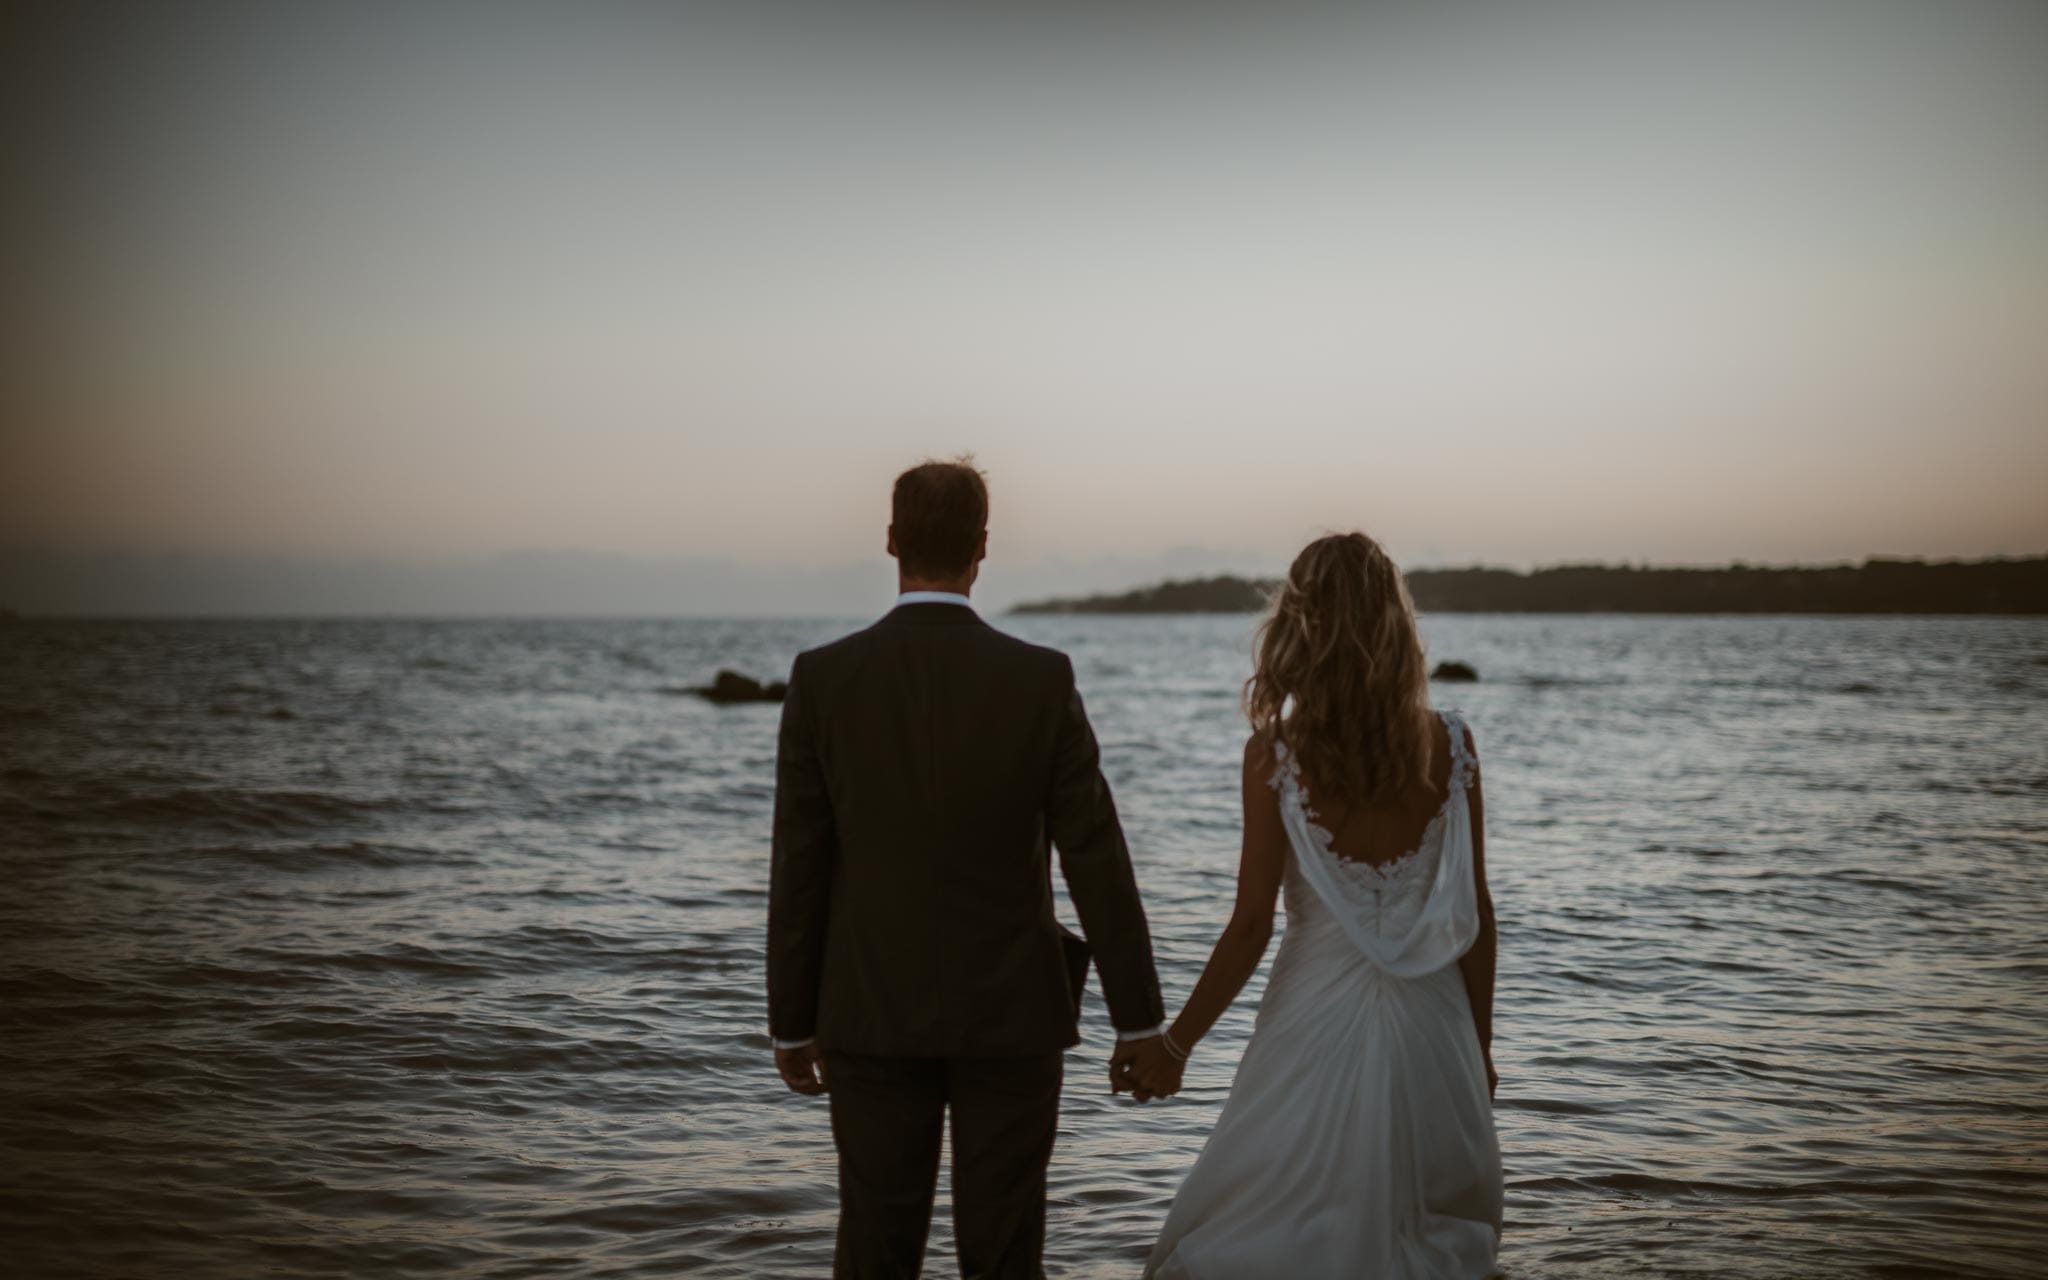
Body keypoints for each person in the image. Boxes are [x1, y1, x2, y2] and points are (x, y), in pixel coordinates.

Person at [765, 456, 1170, 1280]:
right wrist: (1139, 1020)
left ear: (890, 542)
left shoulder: (824, 679)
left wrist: (791, 1020)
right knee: (1006, 1250)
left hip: (868, 1012)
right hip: (1014, 1017)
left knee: (875, 1245)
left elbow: (800, 867)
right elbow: (1095, 854)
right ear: (983, 546)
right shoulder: (1039, 678)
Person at [1131, 531, 1504, 1279]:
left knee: (1278, 1223)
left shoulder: (1274, 753)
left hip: (1311, 1015)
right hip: (1433, 1020)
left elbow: (1250, 926)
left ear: (1299, 626)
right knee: (1418, 1226)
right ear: (1394, 626)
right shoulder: (1452, 745)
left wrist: (1175, 1046)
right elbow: (1476, 915)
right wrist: (1481, 1048)